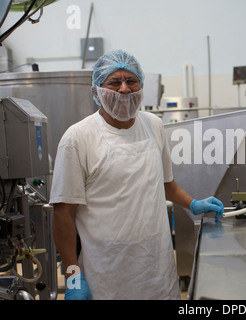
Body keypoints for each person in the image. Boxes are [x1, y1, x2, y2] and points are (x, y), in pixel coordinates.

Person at [50, 49, 224, 300]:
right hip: (106, 275)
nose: (123, 89)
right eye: (114, 81)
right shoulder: (78, 138)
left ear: (141, 85)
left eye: (130, 80)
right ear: (97, 90)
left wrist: (193, 203)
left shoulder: (153, 125)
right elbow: (63, 214)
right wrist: (73, 274)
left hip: (156, 270)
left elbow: (166, 183)